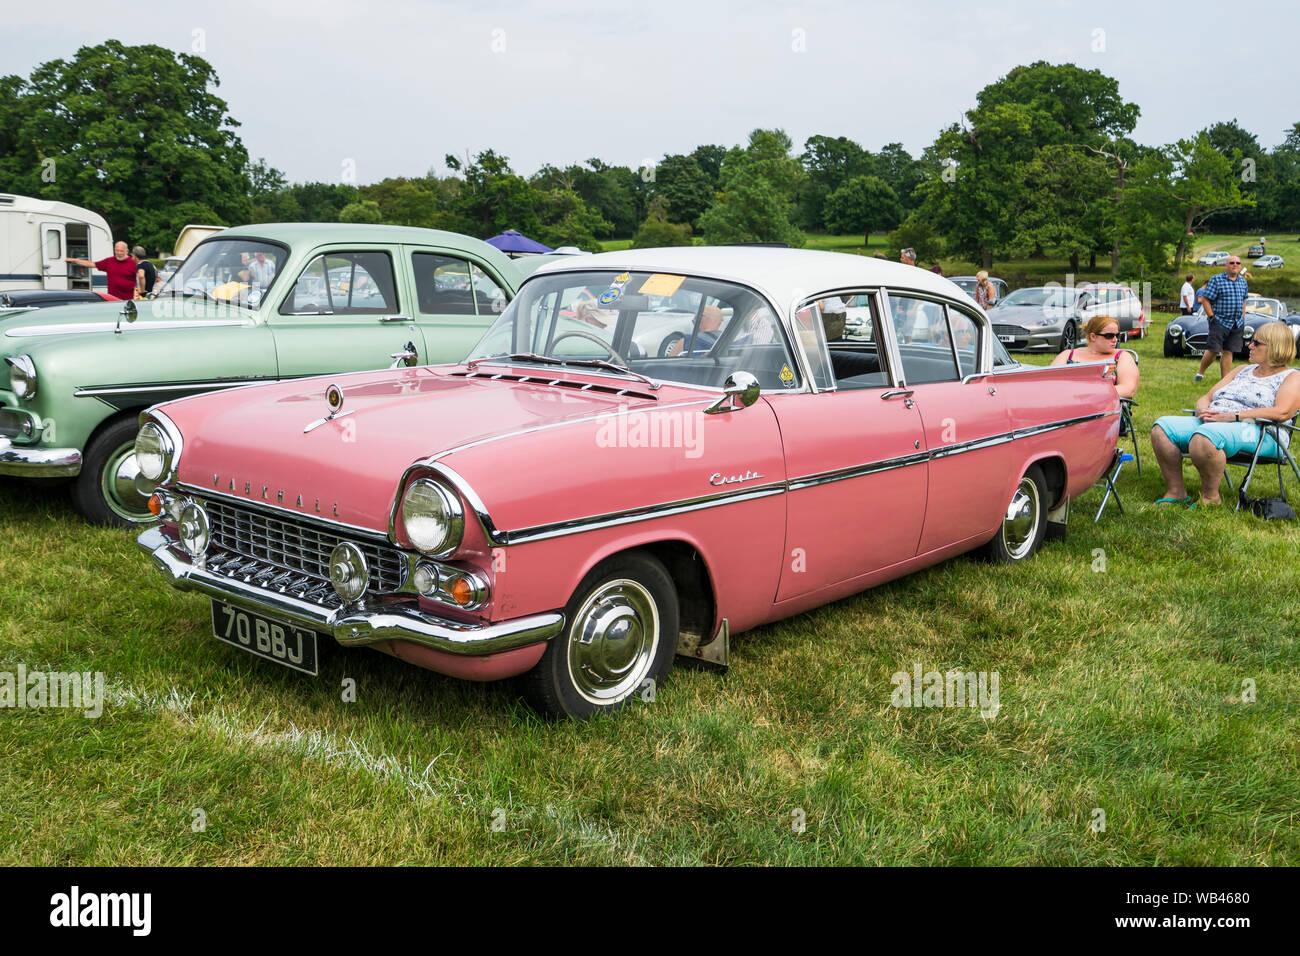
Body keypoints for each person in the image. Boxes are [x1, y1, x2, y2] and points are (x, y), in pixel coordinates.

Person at [1151, 322, 1300, 507]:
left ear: (1274, 347)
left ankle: (1210, 498)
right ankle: (1176, 491)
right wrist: (1202, 409)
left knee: (1205, 437)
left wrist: (1232, 416)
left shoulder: (1291, 377)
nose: (1249, 346)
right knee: (1162, 428)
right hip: (1215, 422)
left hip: (1262, 431)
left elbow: (1282, 411)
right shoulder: (1242, 370)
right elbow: (1207, 397)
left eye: (1256, 343)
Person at [1050, 314, 1138, 399]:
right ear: (1093, 337)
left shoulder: (1122, 357)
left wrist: (1091, 395)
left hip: (1107, 408)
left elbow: (1128, 389)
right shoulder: (1067, 355)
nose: (1115, 340)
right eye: (1109, 336)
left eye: (1117, 335)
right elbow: (1048, 382)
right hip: (1068, 404)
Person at [1194, 255, 1248, 383]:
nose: (1235, 264)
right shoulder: (1216, 280)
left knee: (1229, 351)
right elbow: (1205, 300)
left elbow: (1244, 299)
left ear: (1240, 266)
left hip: (1237, 322)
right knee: (1213, 350)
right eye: (1231, 263)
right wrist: (1212, 316)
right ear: (1226, 265)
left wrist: (1243, 315)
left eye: (1237, 263)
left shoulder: (1243, 281)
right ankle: (1200, 373)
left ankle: (1224, 380)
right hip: (1219, 321)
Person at [65, 241, 136, 300]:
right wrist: (74, 260)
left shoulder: (133, 263)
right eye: (117, 250)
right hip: (112, 298)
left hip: (127, 299)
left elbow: (139, 279)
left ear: (127, 251)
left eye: (121, 251)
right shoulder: (109, 261)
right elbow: (92, 264)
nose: (119, 253)